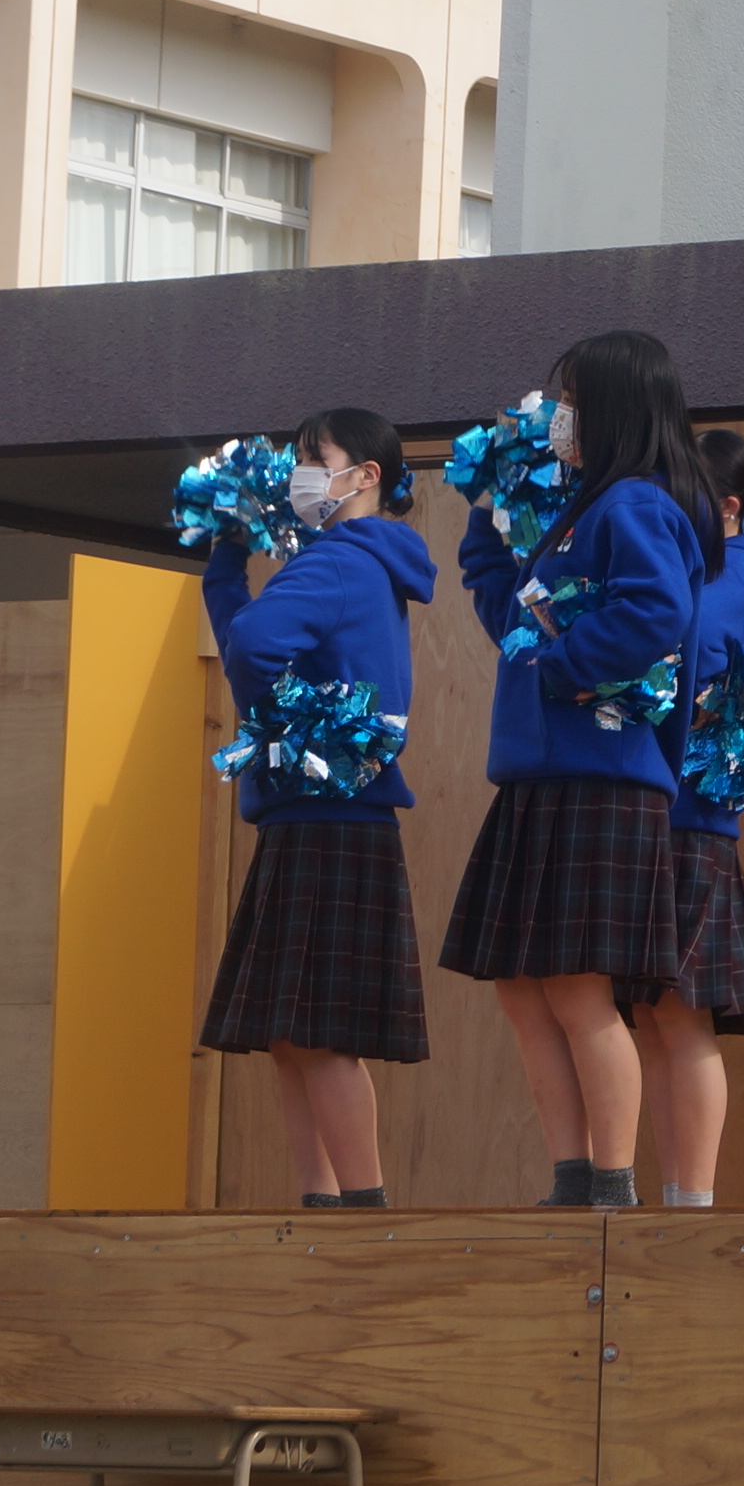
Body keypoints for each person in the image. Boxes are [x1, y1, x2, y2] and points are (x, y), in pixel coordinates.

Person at [441, 331, 719, 1211]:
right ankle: (572, 1179)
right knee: (525, 988)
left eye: (571, 401)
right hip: (544, 776)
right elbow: (517, 624)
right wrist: (488, 525)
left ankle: (610, 1184)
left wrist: (562, 670)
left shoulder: (633, 503)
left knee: (577, 989)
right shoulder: (579, 511)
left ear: (612, 408)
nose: (559, 417)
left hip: (598, 776)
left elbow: (655, 610)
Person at [198, 410, 437, 1209]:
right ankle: (321, 1204)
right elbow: (245, 638)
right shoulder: (349, 562)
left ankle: (358, 1210)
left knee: (319, 1035)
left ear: (365, 475)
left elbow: (255, 646)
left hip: (331, 819)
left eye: (314, 457)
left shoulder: (338, 559)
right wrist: (227, 557)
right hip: (317, 818)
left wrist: (280, 720)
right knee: (291, 1035)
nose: (300, 472)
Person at [633, 427, 744, 1209]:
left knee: (681, 1016)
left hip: (692, 814)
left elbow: (702, 657)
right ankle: (672, 1194)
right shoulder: (710, 565)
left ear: (728, 505)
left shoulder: (739, 569)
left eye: (685, 490)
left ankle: (692, 1200)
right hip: (663, 808)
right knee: (652, 1016)